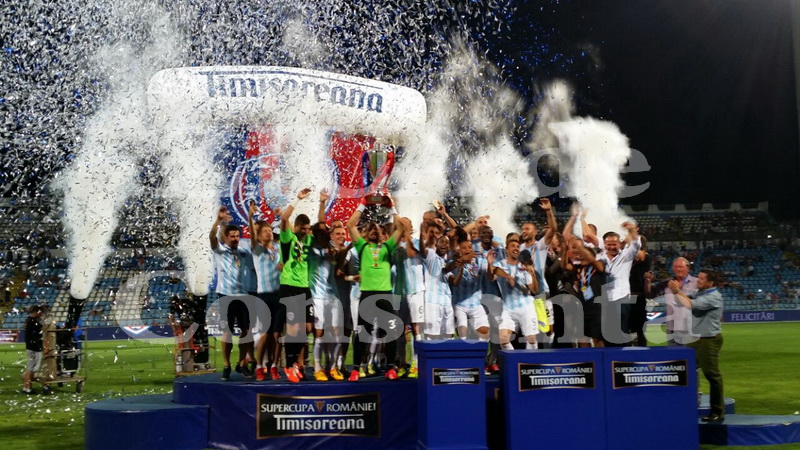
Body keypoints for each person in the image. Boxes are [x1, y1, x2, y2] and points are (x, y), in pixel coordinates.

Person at [346, 196, 404, 380]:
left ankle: (391, 368)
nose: (374, 231)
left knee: (390, 333)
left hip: (385, 295)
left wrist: (392, 206)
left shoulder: (387, 247)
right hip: (367, 294)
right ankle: (356, 369)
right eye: (371, 229)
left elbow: (400, 228)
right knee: (362, 333)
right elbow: (350, 225)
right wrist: (363, 204)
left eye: (377, 229)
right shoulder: (362, 247)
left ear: (381, 234)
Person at [669, 269, 725, 422]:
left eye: (701, 279)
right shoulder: (701, 293)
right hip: (697, 339)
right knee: (686, 370)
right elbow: (685, 300)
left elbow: (690, 304)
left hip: (708, 340)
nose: (698, 280)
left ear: (710, 283)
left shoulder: (713, 297)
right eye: (698, 277)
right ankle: (687, 403)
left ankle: (717, 412)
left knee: (712, 375)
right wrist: (677, 292)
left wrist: (677, 290)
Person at [210, 206, 254, 381]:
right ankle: (226, 365)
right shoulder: (220, 251)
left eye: (237, 236)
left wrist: (250, 218)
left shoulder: (243, 253)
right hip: (225, 296)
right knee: (227, 332)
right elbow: (212, 237)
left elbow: (255, 244)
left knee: (246, 331)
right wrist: (218, 220)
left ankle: (241, 363)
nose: (236, 239)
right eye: (232, 236)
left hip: (243, 295)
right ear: (226, 238)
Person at [279, 188, 314, 383]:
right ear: (297, 227)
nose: (306, 232)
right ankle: (290, 364)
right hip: (289, 285)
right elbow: (284, 219)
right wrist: (297, 200)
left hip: (304, 287)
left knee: (306, 327)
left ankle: (297, 362)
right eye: (303, 229)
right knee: (293, 327)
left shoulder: (308, 239)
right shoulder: (288, 238)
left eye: (308, 229)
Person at [248, 202, 283, 381]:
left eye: (270, 230)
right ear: (259, 235)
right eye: (265, 231)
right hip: (263, 296)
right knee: (264, 334)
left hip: (279, 295)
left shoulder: (278, 248)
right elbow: (252, 235)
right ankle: (260, 366)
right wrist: (250, 216)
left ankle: (274, 366)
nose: (269, 232)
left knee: (277, 335)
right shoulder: (257, 250)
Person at [489, 236, 539, 351]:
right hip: (509, 309)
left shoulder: (523, 267)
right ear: (506, 250)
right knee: (503, 339)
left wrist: (532, 274)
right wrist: (507, 276)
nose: (516, 248)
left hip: (526, 307)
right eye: (513, 246)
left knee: (531, 339)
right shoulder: (500, 265)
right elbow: (492, 272)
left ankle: (530, 361)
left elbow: (534, 290)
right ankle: (513, 361)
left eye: (517, 247)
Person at [596, 222, 641, 346]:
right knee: (606, 332)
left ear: (619, 244)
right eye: (609, 244)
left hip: (621, 298)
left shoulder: (626, 255)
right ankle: (609, 356)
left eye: (614, 244)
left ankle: (623, 357)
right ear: (604, 244)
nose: (611, 247)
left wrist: (631, 230)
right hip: (604, 299)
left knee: (621, 331)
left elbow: (636, 244)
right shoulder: (598, 258)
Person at [645, 257, 698, 346]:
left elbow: (696, 304)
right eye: (676, 267)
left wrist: (676, 290)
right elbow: (650, 295)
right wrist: (648, 281)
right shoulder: (666, 283)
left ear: (688, 268)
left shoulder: (696, 283)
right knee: (673, 355)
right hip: (672, 329)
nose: (678, 269)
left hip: (690, 329)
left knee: (690, 354)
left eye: (681, 267)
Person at [22, 305, 44, 394]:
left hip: (31, 347)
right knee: (31, 369)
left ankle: (26, 387)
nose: (41, 314)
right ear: (35, 312)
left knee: (29, 368)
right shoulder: (33, 321)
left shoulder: (29, 320)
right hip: (34, 348)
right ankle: (28, 388)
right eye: (40, 312)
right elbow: (42, 329)